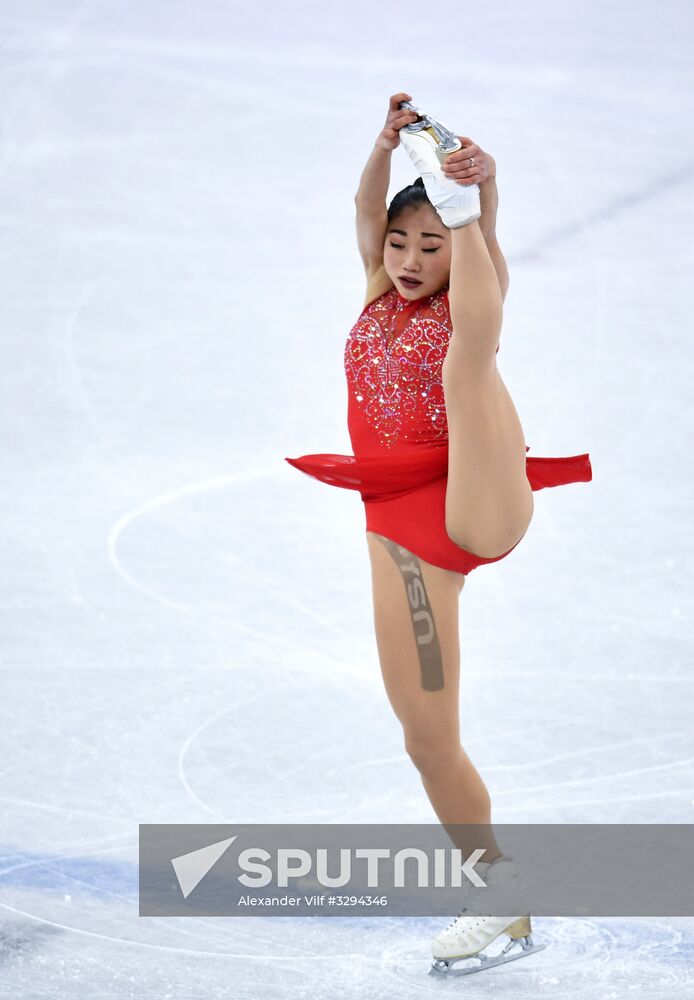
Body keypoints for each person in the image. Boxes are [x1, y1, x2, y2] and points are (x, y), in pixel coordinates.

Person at [285, 93, 591, 975]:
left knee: (469, 359)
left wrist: (479, 209)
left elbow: (481, 274)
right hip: (399, 528)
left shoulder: (465, 308)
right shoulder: (378, 295)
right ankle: (500, 893)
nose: (413, 261)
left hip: (477, 500)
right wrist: (383, 147)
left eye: (435, 245)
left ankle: (497, 903)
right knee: (425, 740)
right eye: (401, 242)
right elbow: (361, 211)